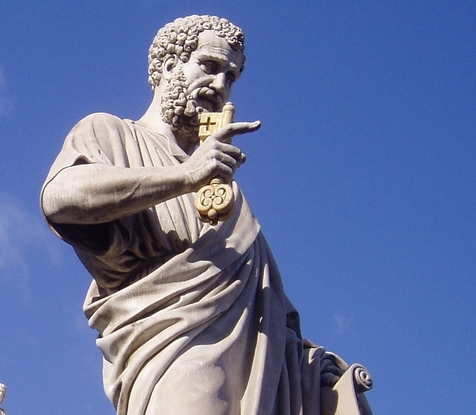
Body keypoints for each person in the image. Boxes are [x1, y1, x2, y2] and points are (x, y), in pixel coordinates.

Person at [40, 15, 371, 415]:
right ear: (169, 66)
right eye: (209, 66)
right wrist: (186, 176)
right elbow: (60, 197)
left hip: (252, 379)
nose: (220, 85)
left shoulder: (226, 192)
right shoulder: (110, 132)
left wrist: (309, 368)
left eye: (231, 77)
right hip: (172, 353)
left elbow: (266, 306)